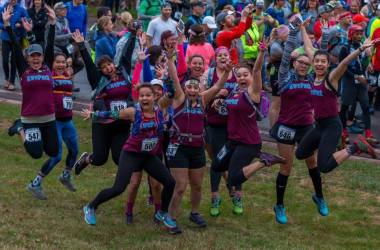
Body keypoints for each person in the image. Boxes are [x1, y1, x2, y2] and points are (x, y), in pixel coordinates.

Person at [80, 83, 177, 232]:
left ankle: (162, 213)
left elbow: (170, 93)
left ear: (154, 97)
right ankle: (91, 206)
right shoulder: (134, 112)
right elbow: (112, 114)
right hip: (131, 154)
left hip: (148, 156)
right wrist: (93, 115)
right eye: (141, 96)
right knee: (119, 188)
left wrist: (169, 79)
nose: (144, 98)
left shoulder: (159, 108)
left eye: (148, 95)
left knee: (170, 182)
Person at [296, 19, 377, 187]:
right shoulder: (314, 72)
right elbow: (308, 47)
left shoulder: (331, 78)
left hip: (332, 126)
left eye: (322, 62)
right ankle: (325, 146)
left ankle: (355, 146)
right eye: (316, 61)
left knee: (324, 166)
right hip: (318, 126)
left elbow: (344, 63)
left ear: (327, 65)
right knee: (300, 153)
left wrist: (360, 49)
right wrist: (302, 27)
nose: (318, 64)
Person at [211, 41, 286, 221]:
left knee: (233, 179)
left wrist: (261, 53)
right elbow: (230, 108)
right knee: (216, 166)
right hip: (232, 141)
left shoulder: (253, 92)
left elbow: (258, 70)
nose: (242, 78)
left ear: (251, 78)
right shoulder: (234, 92)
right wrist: (220, 102)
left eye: (245, 75)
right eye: (239, 75)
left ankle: (264, 161)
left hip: (248, 142)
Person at [165, 43, 233, 233]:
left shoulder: (203, 99)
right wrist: (171, 59)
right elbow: (174, 79)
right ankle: (170, 218)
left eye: (196, 87)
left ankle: (194, 213)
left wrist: (227, 72)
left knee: (197, 186)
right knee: (180, 186)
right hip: (179, 147)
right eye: (190, 86)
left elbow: (219, 85)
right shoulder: (179, 97)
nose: (193, 89)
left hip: (196, 148)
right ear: (186, 88)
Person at [4, 4, 60, 199]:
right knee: (36, 154)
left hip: (49, 119)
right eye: (32, 56)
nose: (36, 59)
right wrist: (7, 25)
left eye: (39, 56)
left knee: (53, 151)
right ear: (27, 58)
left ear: (43, 58)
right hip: (30, 119)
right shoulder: (23, 70)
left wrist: (52, 23)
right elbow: (14, 45)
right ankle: (19, 128)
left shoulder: (47, 69)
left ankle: (31, 133)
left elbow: (50, 44)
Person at [270, 18, 322, 224]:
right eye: (301, 62)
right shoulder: (285, 77)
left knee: (312, 162)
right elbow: (287, 54)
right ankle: (279, 205)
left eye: (307, 64)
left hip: (306, 127)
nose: (304, 66)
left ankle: (319, 196)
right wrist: (293, 32)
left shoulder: (312, 78)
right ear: (294, 63)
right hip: (286, 127)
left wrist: (321, 36)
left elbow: (319, 57)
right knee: (286, 167)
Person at [71, 29, 135, 175]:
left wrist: (133, 34)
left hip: (122, 121)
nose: (108, 68)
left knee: (119, 158)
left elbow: (127, 53)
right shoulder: (97, 80)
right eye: (104, 67)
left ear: (114, 63)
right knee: (100, 159)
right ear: (101, 70)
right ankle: (85, 159)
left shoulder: (123, 72)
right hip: (103, 122)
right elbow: (88, 62)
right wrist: (81, 45)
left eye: (110, 64)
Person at [205, 46, 243, 217]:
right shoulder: (209, 73)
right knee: (218, 162)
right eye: (219, 55)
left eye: (225, 55)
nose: (222, 58)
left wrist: (230, 93)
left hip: (234, 124)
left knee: (236, 160)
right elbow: (201, 95)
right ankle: (215, 197)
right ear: (215, 58)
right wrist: (215, 93)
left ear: (229, 58)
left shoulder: (236, 73)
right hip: (214, 125)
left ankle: (237, 197)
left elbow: (244, 93)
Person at [339, 25, 379, 146]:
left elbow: (363, 62)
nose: (359, 36)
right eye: (357, 33)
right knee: (345, 107)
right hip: (349, 81)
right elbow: (342, 67)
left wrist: (368, 66)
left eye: (361, 34)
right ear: (351, 34)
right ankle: (343, 132)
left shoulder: (362, 46)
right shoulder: (345, 48)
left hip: (361, 82)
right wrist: (356, 77)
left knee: (366, 106)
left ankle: (368, 134)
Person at [0, 0, 29, 91]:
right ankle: (6, 78)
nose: (13, 0)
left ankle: (12, 81)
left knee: (13, 61)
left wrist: (20, 24)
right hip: (5, 38)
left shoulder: (21, 9)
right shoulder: (2, 8)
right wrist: (4, 26)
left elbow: (27, 19)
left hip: (17, 39)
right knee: (5, 60)